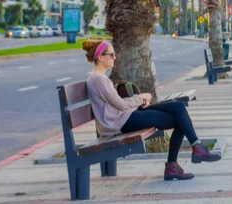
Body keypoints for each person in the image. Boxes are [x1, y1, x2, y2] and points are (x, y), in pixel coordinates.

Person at [82, 41, 220, 181]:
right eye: (111, 55)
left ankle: (194, 149)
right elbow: (121, 105)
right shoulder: (97, 80)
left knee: (178, 107)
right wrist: (140, 98)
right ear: (100, 57)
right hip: (122, 122)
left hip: (126, 116)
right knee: (180, 121)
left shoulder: (100, 78)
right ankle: (180, 160)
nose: (114, 58)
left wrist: (141, 101)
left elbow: (118, 105)